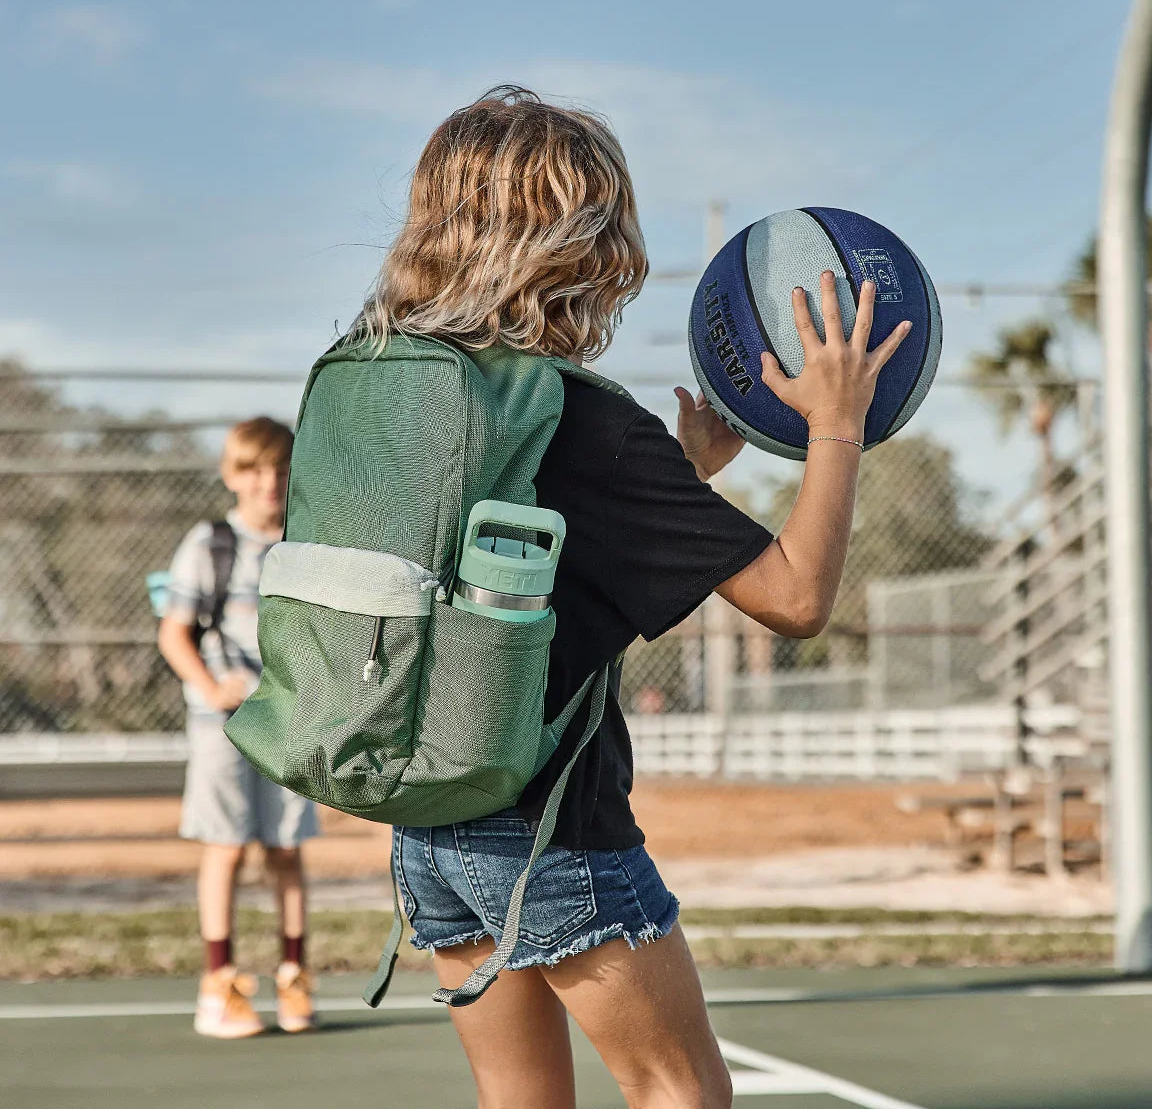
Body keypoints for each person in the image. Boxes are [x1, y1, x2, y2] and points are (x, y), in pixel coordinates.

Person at [353, 87, 909, 1108]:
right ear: (582, 245)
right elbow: (796, 600)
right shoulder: (587, 423)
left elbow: (530, 555)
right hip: (547, 831)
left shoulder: (413, 386)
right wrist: (837, 422)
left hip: (427, 816)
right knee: (681, 1090)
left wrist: (685, 481)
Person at [157, 417, 320, 1040]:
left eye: (280, 469)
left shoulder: (307, 545)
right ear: (232, 475)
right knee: (224, 847)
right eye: (254, 470)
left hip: (289, 723)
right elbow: (174, 633)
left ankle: (293, 976)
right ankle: (219, 985)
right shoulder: (209, 543)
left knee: (285, 848)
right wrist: (209, 686)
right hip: (221, 724)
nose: (269, 482)